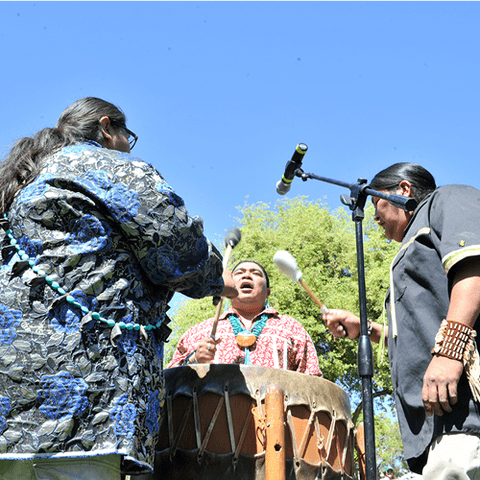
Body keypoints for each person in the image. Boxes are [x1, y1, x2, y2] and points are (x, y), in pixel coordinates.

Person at [0, 97, 237, 480]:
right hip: (86, 394)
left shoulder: (23, 180)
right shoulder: (111, 167)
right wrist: (215, 278)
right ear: (107, 127)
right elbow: (177, 247)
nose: (129, 146)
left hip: (10, 402)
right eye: (129, 136)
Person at [323, 163, 480, 480]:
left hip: (464, 411)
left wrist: (449, 351)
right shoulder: (413, 244)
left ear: (402, 190)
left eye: (376, 204)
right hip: (437, 422)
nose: (374, 217)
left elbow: (474, 271)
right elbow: (421, 325)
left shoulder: (447, 199)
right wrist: (367, 330)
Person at [168, 260, 321, 375]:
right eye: (239, 273)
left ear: (267, 292)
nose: (247, 275)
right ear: (228, 287)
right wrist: (194, 359)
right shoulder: (200, 331)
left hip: (277, 415)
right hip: (212, 416)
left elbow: (313, 380)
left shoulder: (291, 328)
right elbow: (169, 380)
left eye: (256, 273)